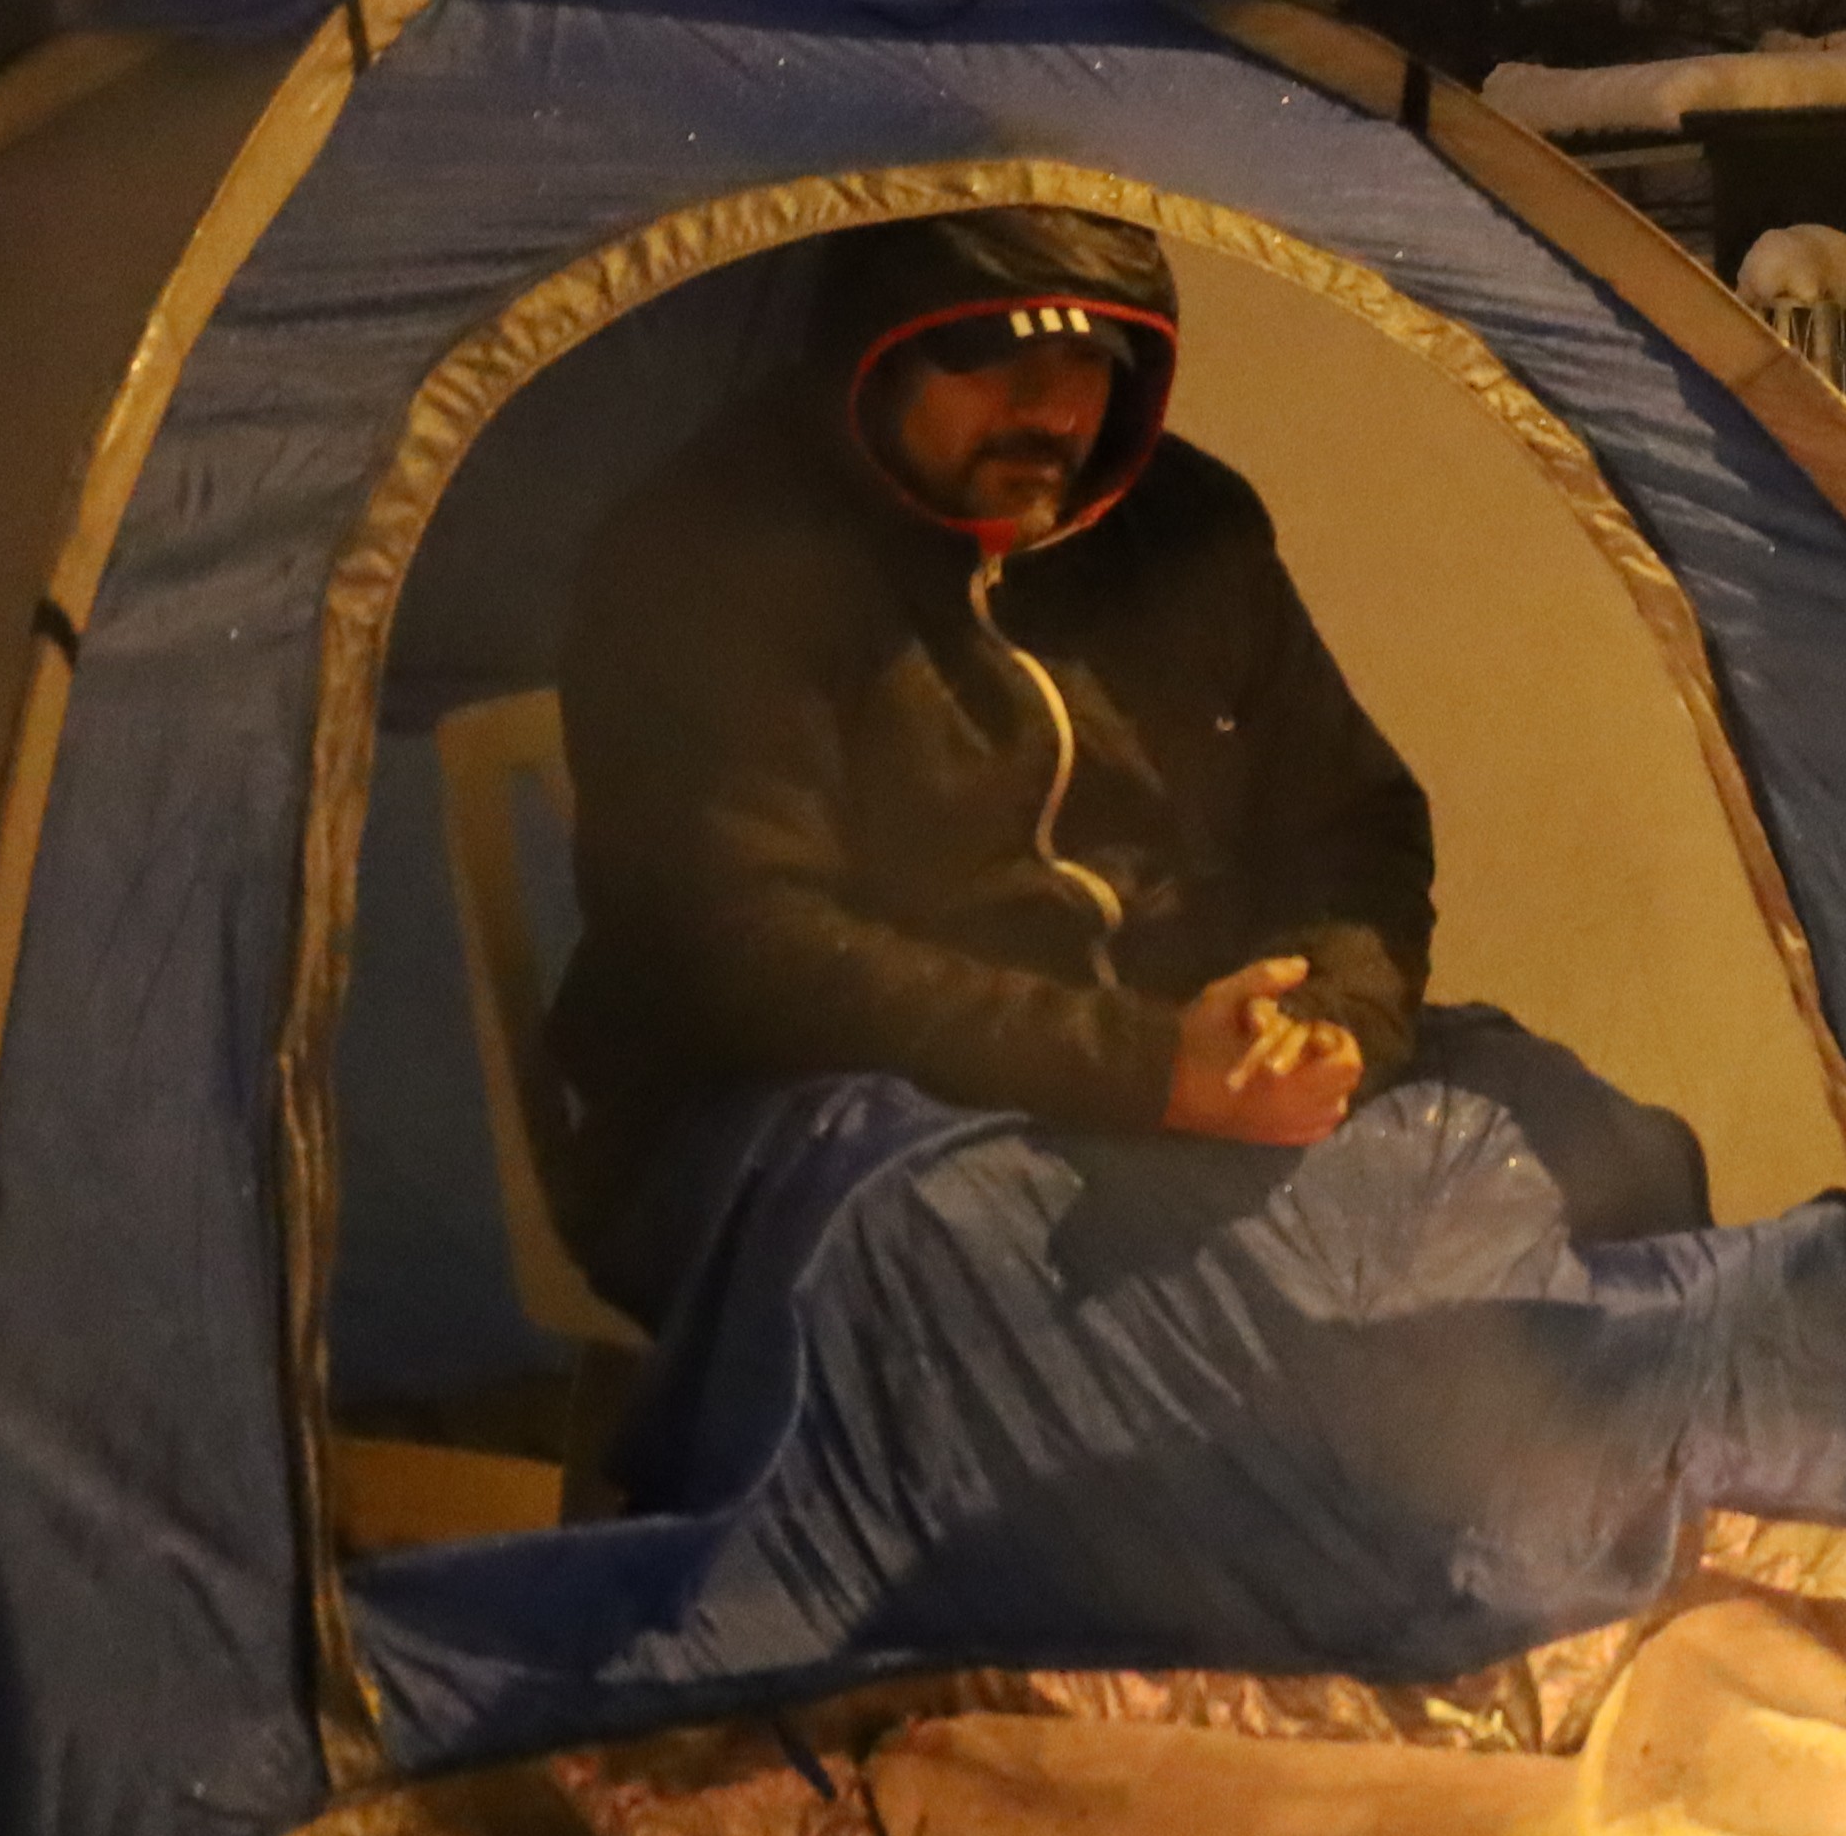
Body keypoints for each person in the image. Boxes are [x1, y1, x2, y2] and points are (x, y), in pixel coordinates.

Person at [546, 203, 1544, 1320]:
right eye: (989, 357)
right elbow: (742, 946)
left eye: (1086, 358)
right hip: (808, 1104)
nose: (1046, 408)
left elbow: (1351, 815)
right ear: (876, 354)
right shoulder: (713, 555)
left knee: (1574, 1138)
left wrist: (1325, 1026)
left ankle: (1518, 1472)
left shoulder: (1186, 526)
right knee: (1030, 1264)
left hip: (1172, 1071)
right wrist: (1141, 1065)